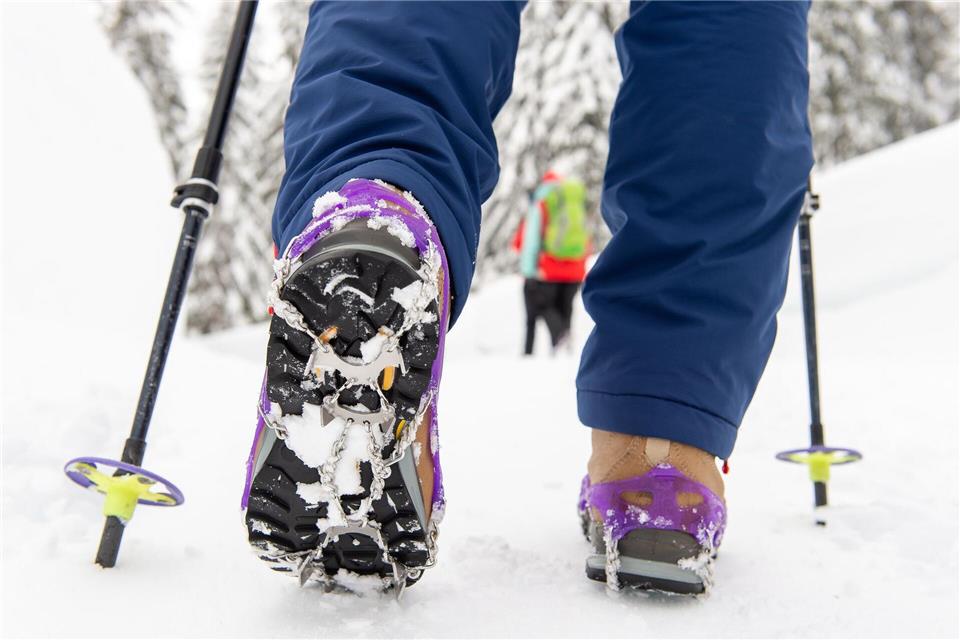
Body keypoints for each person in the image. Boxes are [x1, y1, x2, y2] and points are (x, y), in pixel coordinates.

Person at [241, 1, 812, 595]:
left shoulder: (546, 201)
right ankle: (662, 452)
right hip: (570, 277)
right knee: (720, 18)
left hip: (542, 274)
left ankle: (379, 195)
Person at [512, 171, 590, 355]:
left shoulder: (543, 203)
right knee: (566, 310)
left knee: (545, 306)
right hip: (575, 269)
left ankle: (557, 342)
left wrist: (529, 271)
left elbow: (530, 240)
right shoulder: (572, 201)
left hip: (551, 268)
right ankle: (563, 352)